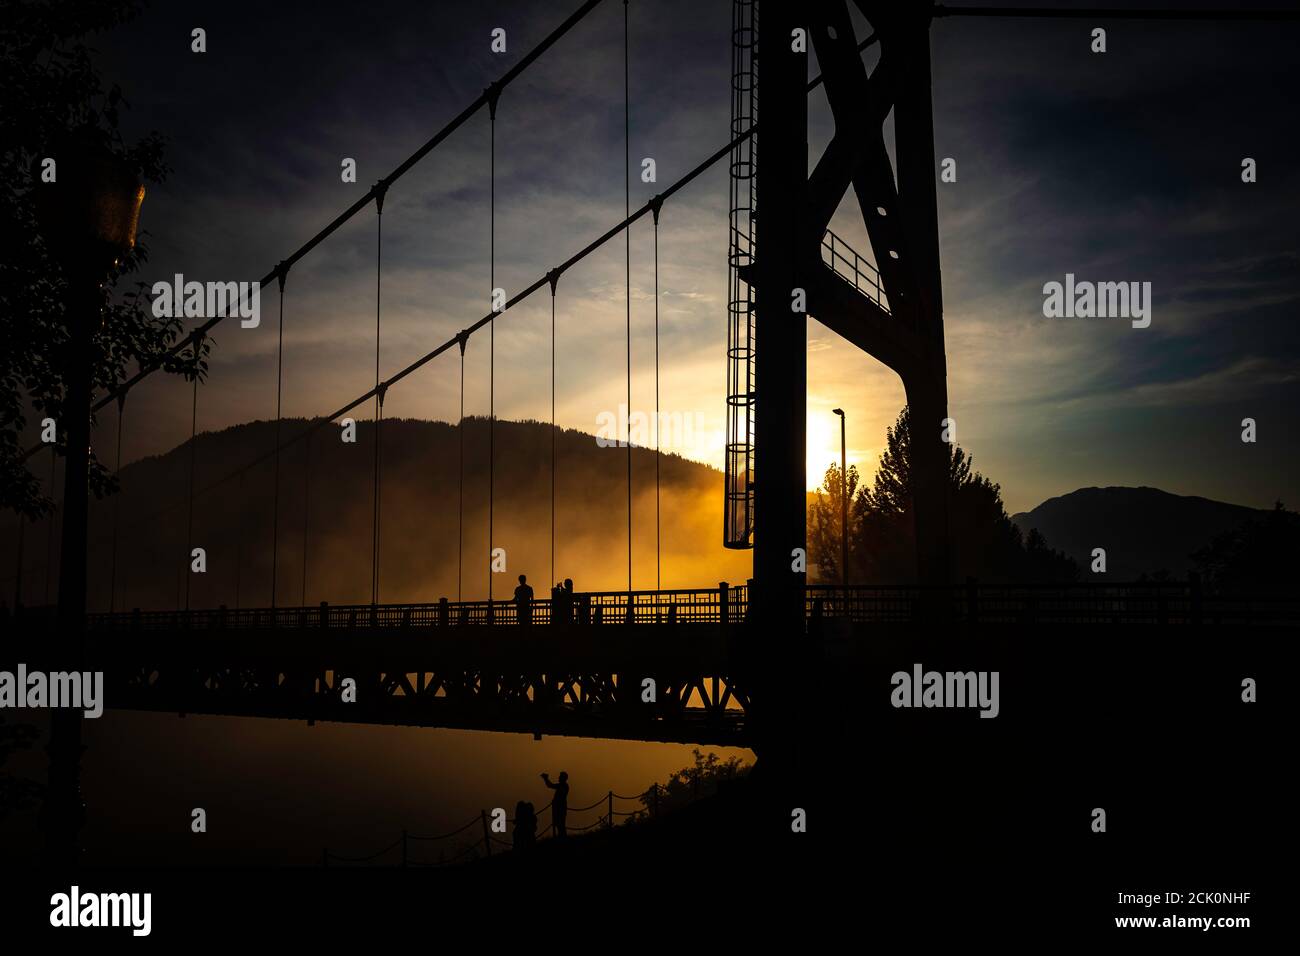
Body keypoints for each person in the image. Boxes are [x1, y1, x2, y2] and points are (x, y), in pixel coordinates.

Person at [540, 771, 569, 838]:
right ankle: (562, 838)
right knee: (559, 825)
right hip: (559, 807)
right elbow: (550, 785)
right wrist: (546, 779)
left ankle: (562, 839)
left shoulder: (563, 786)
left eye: (560, 777)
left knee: (560, 824)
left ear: (563, 778)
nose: (558, 778)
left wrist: (546, 779)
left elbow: (550, 785)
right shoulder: (563, 786)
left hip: (560, 808)